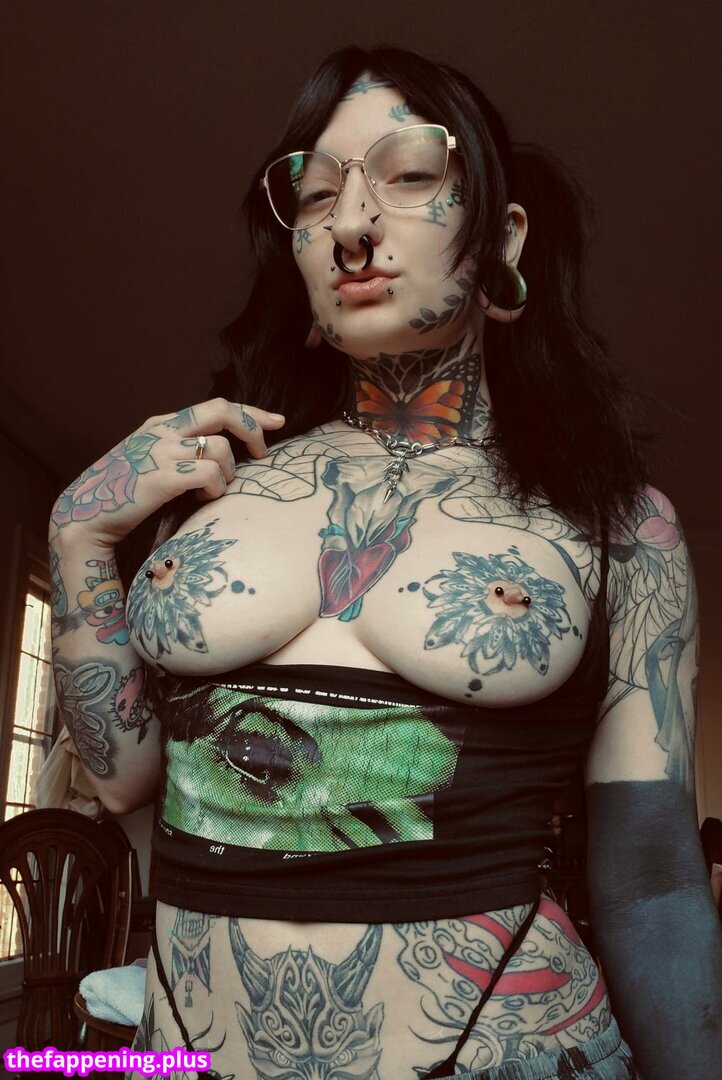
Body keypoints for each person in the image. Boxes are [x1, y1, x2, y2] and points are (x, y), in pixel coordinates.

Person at [49, 45, 722, 1080]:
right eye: (317, 195)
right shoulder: (211, 491)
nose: (353, 224)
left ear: (502, 240)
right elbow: (124, 775)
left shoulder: (618, 527)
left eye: (409, 176)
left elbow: (653, 884)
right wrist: (80, 536)